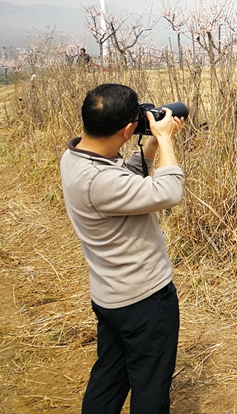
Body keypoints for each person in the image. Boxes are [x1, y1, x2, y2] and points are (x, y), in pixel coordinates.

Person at [60, 83, 186, 414]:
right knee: (150, 385)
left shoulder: (75, 157)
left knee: (110, 377)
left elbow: (122, 179)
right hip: (143, 299)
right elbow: (169, 191)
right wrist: (168, 140)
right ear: (128, 129)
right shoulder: (97, 181)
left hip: (110, 297)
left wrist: (151, 145)